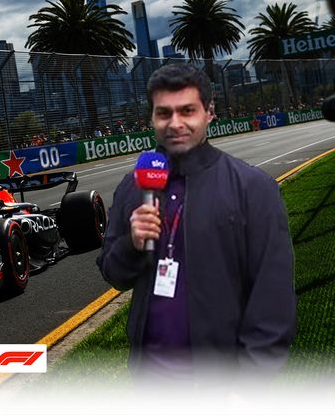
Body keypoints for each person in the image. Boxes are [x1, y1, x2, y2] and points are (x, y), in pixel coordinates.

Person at [97, 63, 295, 389]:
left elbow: (273, 301)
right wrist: (131, 244)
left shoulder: (254, 188)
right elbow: (113, 274)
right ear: (152, 118)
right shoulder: (132, 187)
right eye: (164, 113)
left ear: (209, 113)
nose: (175, 124)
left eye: (187, 110)